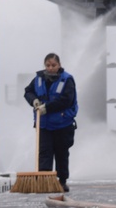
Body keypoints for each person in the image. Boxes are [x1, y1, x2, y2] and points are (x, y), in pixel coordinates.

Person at [24, 53, 78, 192]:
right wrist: (34, 100)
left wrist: (47, 108)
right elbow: (28, 91)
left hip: (62, 124)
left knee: (61, 153)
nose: (50, 68)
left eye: (53, 65)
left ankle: (62, 181)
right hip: (44, 125)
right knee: (44, 153)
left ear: (59, 65)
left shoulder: (67, 80)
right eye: (48, 65)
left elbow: (66, 99)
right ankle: (44, 181)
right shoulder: (38, 79)